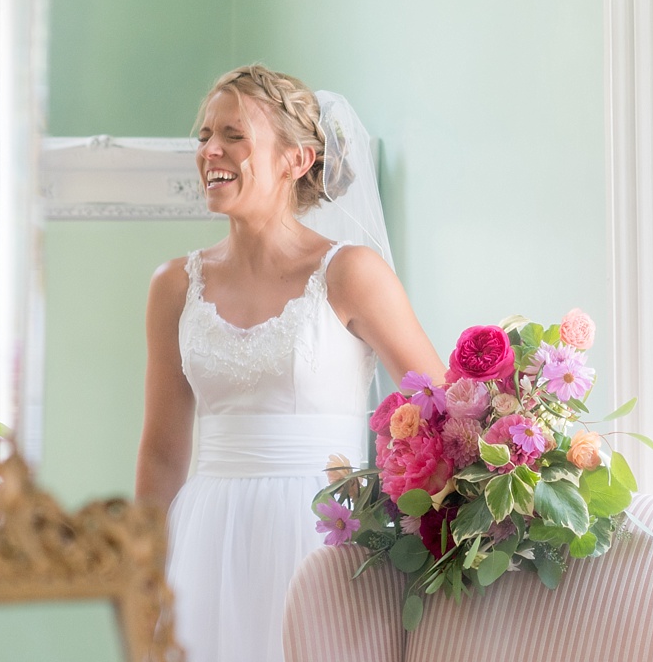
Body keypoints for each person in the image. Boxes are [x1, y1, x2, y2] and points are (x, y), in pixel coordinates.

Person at [136, 65, 444, 662]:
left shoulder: (351, 274)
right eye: (204, 136)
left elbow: (438, 409)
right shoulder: (173, 286)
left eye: (234, 135)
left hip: (321, 538)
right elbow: (162, 452)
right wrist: (141, 580)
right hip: (205, 541)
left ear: (296, 159)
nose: (211, 151)